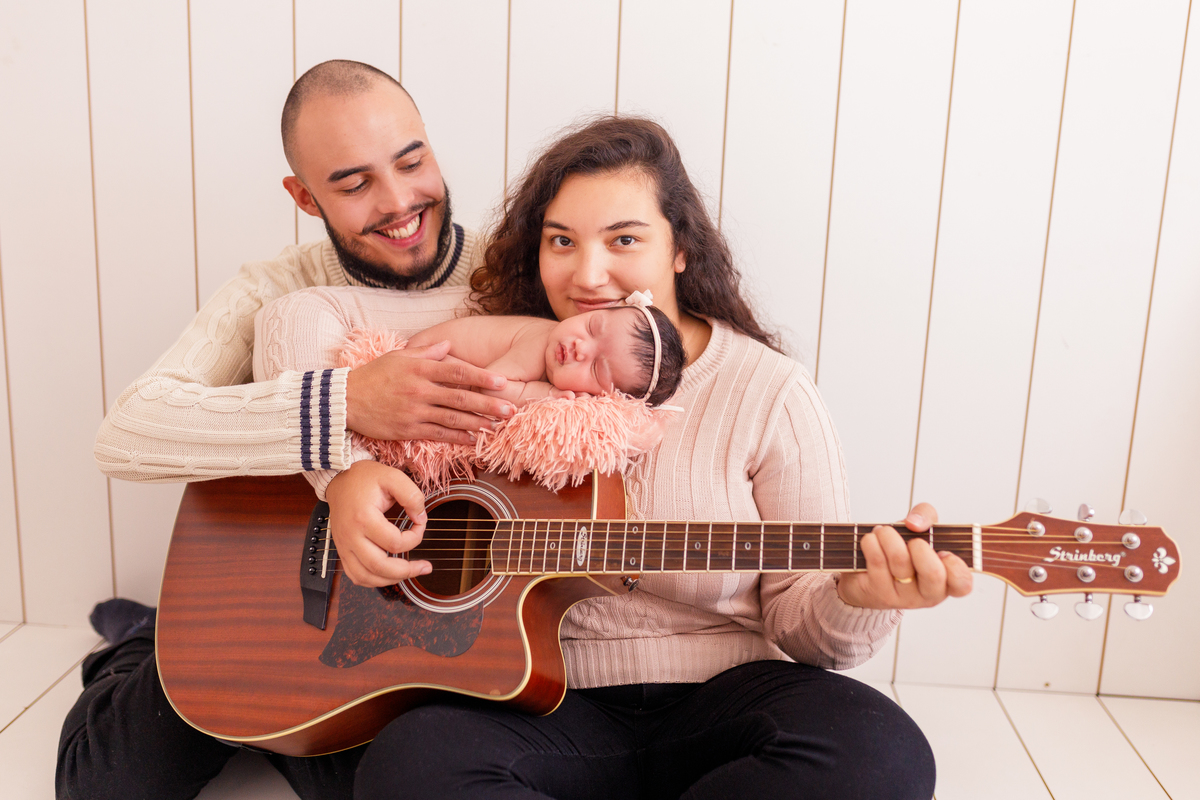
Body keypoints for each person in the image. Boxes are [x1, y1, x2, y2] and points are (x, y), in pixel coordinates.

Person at [261, 116, 972, 798]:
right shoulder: (506, 343)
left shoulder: (769, 390)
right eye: (560, 241)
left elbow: (807, 631)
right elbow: (292, 320)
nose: (586, 275)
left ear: (681, 248)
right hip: (537, 700)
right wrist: (342, 475)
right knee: (409, 768)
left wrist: (860, 596)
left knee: (881, 756)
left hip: (721, 698)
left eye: (624, 239)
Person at [62, 59, 515, 800]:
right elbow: (128, 430)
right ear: (304, 197)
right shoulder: (275, 288)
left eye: (412, 161)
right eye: (353, 183)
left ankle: (264, 712)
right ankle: (142, 643)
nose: (401, 202)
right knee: (107, 785)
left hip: (403, 615)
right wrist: (340, 406)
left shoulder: (513, 268)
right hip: (276, 588)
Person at [399, 296, 686, 407]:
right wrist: (541, 395)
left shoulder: (559, 350)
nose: (580, 347)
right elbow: (489, 386)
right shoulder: (540, 344)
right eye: (592, 326)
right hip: (427, 358)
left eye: (596, 368)